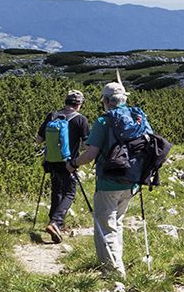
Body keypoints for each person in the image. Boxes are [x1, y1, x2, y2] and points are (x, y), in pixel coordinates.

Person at [65, 82, 145, 279]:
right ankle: (118, 264)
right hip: (132, 180)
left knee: (105, 226)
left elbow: (90, 154)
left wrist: (74, 163)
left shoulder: (104, 121)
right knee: (117, 222)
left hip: (109, 181)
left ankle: (113, 273)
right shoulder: (137, 117)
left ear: (106, 101)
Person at [35, 90, 89, 243]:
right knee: (69, 192)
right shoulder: (81, 120)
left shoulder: (52, 116)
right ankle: (56, 223)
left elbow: (39, 140)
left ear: (65, 102)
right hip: (68, 163)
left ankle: (54, 222)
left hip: (50, 162)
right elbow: (86, 145)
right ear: (79, 104)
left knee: (56, 190)